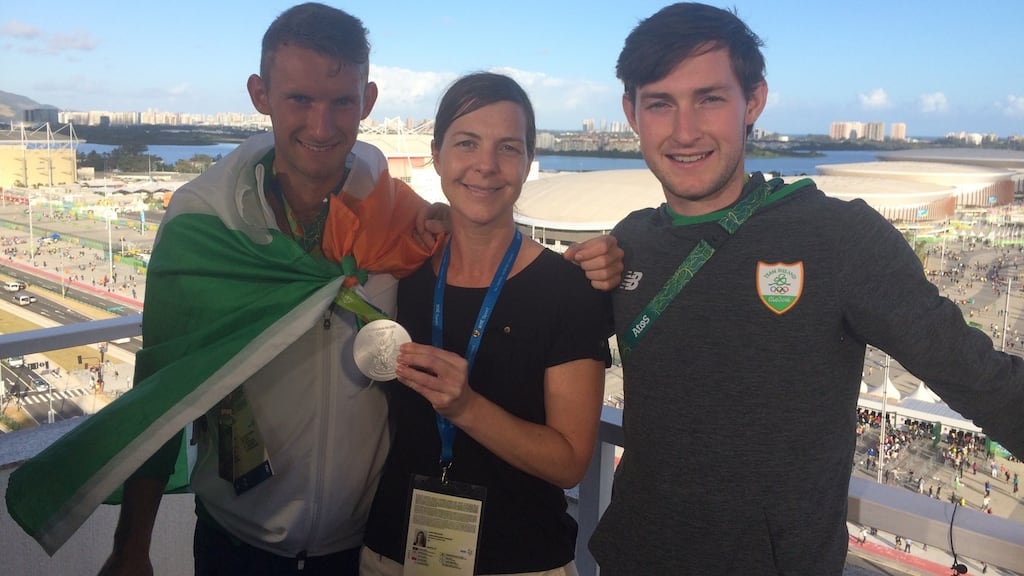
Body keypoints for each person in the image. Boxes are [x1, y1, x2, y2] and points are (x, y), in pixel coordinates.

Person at [81, 5, 622, 576]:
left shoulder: (397, 218)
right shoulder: (203, 225)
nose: (321, 126)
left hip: (364, 542)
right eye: (299, 99)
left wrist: (593, 260)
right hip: (238, 542)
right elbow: (160, 391)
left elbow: (479, 239)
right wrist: (132, 546)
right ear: (260, 94)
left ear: (366, 101)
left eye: (341, 101)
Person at [587, 3, 1024, 574]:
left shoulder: (836, 237)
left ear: (755, 101)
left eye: (710, 98)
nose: (684, 130)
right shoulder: (629, 242)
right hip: (632, 558)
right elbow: (534, 336)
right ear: (631, 113)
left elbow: (980, 378)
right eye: (660, 103)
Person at [360, 73, 611, 575]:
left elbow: (569, 461)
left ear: (527, 161)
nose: (486, 166)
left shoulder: (568, 290)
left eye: (508, 148)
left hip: (523, 559)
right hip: (393, 549)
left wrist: (468, 406)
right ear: (437, 155)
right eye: (467, 143)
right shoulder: (403, 271)